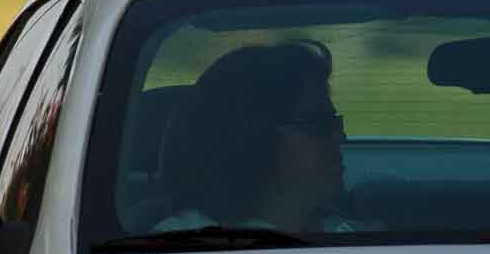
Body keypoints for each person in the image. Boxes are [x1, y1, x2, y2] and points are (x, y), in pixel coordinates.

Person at [152, 40, 375, 234]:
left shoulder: (354, 236)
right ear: (252, 135)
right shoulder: (173, 251)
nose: (340, 136)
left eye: (335, 122)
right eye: (318, 125)